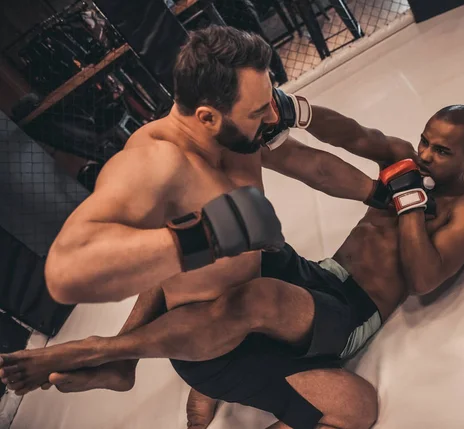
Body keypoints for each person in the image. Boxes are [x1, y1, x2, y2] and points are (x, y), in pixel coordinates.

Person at [0, 95, 464, 429]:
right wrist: (293, 108)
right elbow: (354, 135)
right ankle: (125, 362)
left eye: (443, 150)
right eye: (426, 141)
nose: (427, 155)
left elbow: (427, 278)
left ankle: (100, 349)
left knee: (257, 297)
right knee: (209, 238)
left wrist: (410, 204)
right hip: (320, 274)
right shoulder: (404, 155)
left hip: (354, 310)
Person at [2, 26, 385, 429]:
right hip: (218, 343)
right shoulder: (155, 164)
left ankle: (125, 360)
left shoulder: (235, 131)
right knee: (355, 407)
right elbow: (66, 270)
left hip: (268, 276)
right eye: (258, 112)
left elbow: (311, 165)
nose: (272, 116)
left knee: (342, 301)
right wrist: (208, 235)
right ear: (207, 116)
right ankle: (109, 352)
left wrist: (379, 191)